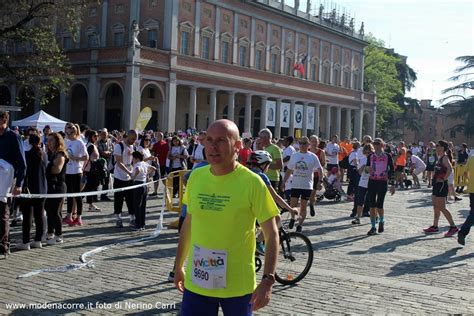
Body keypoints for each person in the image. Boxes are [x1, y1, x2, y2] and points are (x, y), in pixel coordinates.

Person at [173, 119, 279, 315]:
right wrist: (178, 265)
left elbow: (272, 234)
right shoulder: (196, 177)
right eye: (209, 139)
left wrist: (267, 280)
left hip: (237, 286)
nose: (213, 146)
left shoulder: (252, 182)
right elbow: (189, 223)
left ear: (237, 146)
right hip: (198, 281)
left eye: (221, 140)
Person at [282, 136, 322, 232]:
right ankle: (292, 218)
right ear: (298, 145)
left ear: (308, 145)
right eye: (301, 143)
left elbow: (320, 169)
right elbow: (289, 170)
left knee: (303, 206)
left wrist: (320, 181)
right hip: (295, 184)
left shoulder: (312, 156)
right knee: (293, 205)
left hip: (307, 185)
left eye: (305, 143)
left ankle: (300, 224)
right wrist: (284, 182)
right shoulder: (295, 155)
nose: (302, 145)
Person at [0, 111, 26, 258]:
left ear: (4, 120)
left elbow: (22, 163)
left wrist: (19, 184)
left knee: (3, 213)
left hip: (7, 180)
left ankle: (3, 247)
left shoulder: (13, 137)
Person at [17, 134, 47, 250]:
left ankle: (25, 241)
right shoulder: (44, 155)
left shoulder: (27, 155)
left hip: (29, 189)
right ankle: (38, 240)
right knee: (39, 215)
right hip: (42, 188)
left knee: (27, 216)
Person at [423, 140, 458, 237]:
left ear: (443, 148)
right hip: (436, 185)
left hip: (441, 185)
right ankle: (435, 226)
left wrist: (443, 179)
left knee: (442, 207)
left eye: (438, 146)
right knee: (435, 205)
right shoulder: (440, 157)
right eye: (436, 146)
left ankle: (453, 227)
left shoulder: (445, 157)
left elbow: (450, 169)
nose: (436, 147)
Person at [365, 138, 396, 236]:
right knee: (372, 205)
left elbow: (392, 170)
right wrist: (367, 169)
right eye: (374, 143)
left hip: (382, 182)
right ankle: (373, 226)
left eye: (378, 143)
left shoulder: (387, 156)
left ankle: (381, 221)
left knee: (379, 205)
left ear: (382, 145)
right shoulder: (370, 156)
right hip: (372, 181)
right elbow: (366, 168)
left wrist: (393, 184)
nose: (376, 145)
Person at [45, 132, 68, 245]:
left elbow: (57, 170)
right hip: (49, 185)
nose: (48, 143)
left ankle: (59, 235)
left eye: (51, 140)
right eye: (47, 140)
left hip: (58, 186)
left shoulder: (60, 154)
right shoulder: (50, 153)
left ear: (57, 142)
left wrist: (47, 166)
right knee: (49, 210)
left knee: (55, 211)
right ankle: (50, 233)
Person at [64, 123, 88, 226]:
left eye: (71, 133)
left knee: (77, 194)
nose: (69, 135)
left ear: (75, 132)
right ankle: (69, 216)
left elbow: (86, 157)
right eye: (68, 133)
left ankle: (79, 217)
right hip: (68, 171)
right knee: (69, 194)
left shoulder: (79, 142)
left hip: (77, 171)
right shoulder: (66, 142)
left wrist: (75, 159)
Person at [113, 130, 137, 228]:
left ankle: (132, 218)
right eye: (132, 139)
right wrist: (129, 172)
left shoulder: (133, 147)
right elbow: (119, 162)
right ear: (127, 136)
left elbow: (134, 161)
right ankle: (118, 218)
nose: (133, 141)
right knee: (118, 199)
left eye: (135, 139)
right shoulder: (119, 146)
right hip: (119, 176)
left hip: (129, 178)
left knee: (130, 199)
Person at [131, 151, 156, 231]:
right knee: (143, 205)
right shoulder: (144, 163)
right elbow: (153, 168)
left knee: (137, 205)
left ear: (136, 158)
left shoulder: (137, 164)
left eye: (133, 158)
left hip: (138, 184)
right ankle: (142, 224)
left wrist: (133, 177)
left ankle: (138, 225)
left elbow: (138, 170)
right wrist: (146, 174)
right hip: (144, 185)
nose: (132, 160)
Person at [351, 143, 374, 224]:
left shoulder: (374, 159)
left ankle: (375, 217)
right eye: (366, 152)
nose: (368, 154)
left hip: (372, 182)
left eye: (369, 152)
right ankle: (357, 218)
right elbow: (360, 172)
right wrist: (364, 167)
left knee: (372, 201)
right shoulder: (363, 159)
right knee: (360, 200)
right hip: (363, 182)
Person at [458, 155, 474, 245]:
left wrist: (470, 181)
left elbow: (465, 173)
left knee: (473, 213)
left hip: (472, 190)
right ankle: (462, 232)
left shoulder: (471, 158)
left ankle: (462, 233)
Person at [83, 130, 101, 212]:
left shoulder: (93, 145)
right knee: (88, 188)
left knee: (90, 187)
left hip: (94, 170)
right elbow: (86, 158)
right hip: (90, 170)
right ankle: (90, 204)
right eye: (95, 136)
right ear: (91, 137)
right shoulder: (90, 146)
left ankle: (91, 204)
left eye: (97, 136)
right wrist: (83, 169)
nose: (96, 137)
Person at [97, 128, 114, 201]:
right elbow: (98, 151)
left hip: (108, 162)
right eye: (102, 134)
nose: (104, 135)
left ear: (107, 134)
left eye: (105, 134)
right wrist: (103, 153)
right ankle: (94, 196)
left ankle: (104, 195)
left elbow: (111, 150)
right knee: (98, 180)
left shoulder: (110, 141)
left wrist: (109, 152)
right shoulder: (98, 142)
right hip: (100, 163)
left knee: (106, 179)